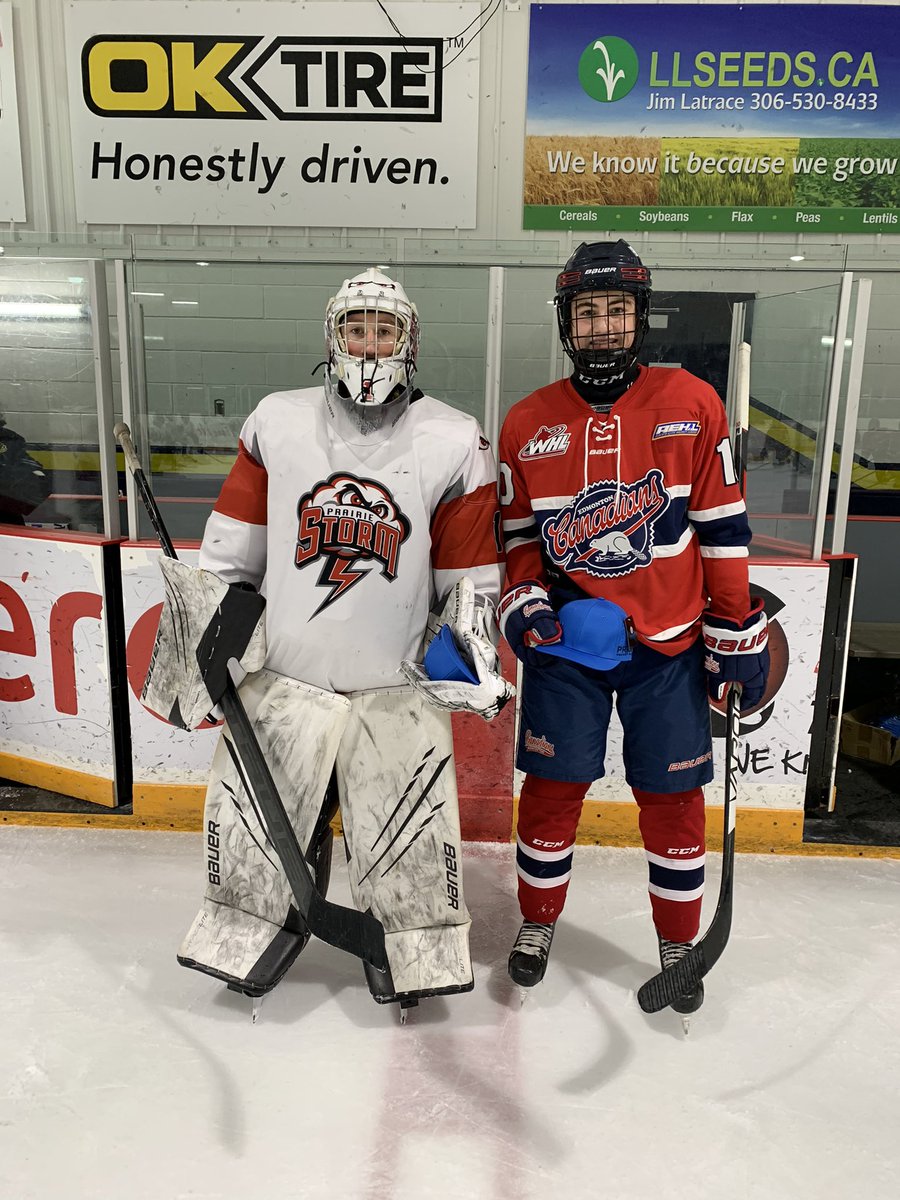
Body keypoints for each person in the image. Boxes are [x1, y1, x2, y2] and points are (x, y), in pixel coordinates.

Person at [142, 267, 512, 1011]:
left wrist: (471, 656)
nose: (368, 345)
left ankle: (413, 949)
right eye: (355, 328)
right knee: (248, 839)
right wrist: (206, 650)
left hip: (394, 691)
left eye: (384, 330)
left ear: (410, 342)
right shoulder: (275, 421)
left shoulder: (452, 436)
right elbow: (230, 557)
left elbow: (469, 582)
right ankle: (246, 929)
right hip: (285, 681)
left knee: (410, 850)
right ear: (331, 337)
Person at [496, 241, 769, 1016]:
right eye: (588, 313)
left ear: (640, 318)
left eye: (618, 311)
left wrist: (734, 630)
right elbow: (517, 540)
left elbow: (721, 528)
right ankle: (537, 923)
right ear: (566, 323)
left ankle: (677, 940)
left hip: (670, 646)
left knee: (673, 797)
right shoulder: (527, 422)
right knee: (553, 788)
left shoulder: (693, 401)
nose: (604, 327)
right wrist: (527, 603)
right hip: (568, 652)